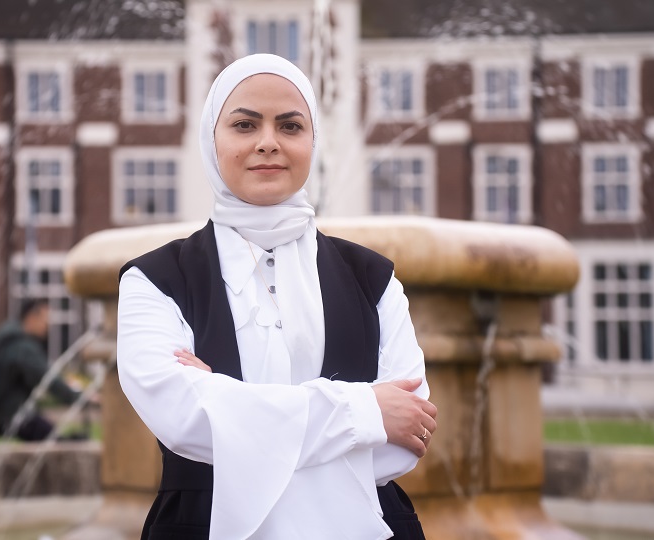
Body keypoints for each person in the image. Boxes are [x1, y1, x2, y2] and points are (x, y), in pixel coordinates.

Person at [117, 54, 436, 540]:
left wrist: (232, 406)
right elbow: (185, 421)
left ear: (312, 142)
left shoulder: (373, 277)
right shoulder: (153, 280)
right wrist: (365, 412)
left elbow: (404, 441)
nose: (268, 143)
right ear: (212, 139)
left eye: (290, 126)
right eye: (245, 125)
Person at [0, 298, 83, 441]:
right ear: (31, 317)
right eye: (45, 319)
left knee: (53, 440)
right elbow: (47, 379)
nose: (47, 325)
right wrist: (78, 398)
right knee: (58, 443)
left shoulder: (9, 339)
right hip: (12, 413)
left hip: (4, 412)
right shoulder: (22, 347)